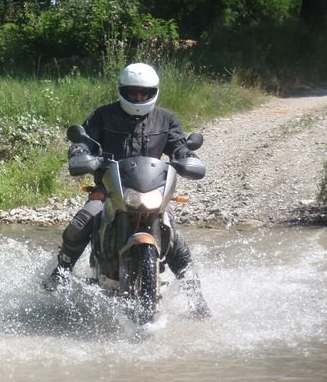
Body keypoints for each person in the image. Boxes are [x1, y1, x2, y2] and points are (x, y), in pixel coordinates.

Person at [47, 62, 211, 318]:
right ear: (122, 90)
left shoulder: (166, 119)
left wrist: (188, 156)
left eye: (143, 93)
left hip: (152, 189)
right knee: (84, 219)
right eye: (133, 92)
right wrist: (81, 153)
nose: (138, 97)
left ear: (153, 92)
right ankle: (62, 270)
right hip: (110, 188)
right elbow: (85, 142)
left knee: (173, 234)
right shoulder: (103, 115)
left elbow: (180, 146)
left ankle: (196, 297)